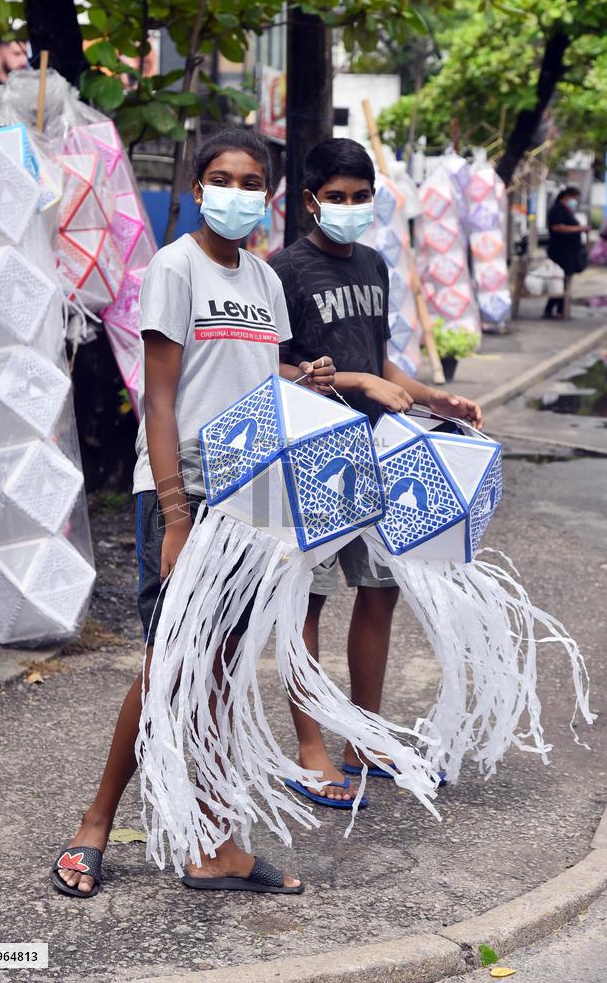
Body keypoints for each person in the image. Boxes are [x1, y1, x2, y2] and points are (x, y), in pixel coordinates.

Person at [50, 127, 336, 898]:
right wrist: (176, 516)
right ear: (197, 184)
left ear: (268, 196)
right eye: (220, 177)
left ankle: (215, 847)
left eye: (250, 181)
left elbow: (256, 372)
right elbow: (163, 396)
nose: (235, 191)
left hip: (253, 496)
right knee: (170, 666)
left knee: (215, 670)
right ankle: (95, 826)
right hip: (187, 491)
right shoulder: (173, 269)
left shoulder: (265, 282)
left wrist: (300, 374)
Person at [269, 137, 483, 807]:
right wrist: (355, 379)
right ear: (310, 201)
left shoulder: (374, 263)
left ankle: (362, 736)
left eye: (361, 198)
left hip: (377, 446)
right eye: (337, 198)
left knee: (381, 588)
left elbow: (380, 361)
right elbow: (270, 366)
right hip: (312, 450)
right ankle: (310, 747)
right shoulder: (284, 270)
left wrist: (428, 395)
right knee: (308, 598)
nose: (350, 208)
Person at [543, 187, 590, 319]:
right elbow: (557, 227)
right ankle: (552, 309)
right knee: (559, 281)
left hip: (569, 251)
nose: (575, 201)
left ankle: (560, 309)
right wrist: (579, 228)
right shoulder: (557, 209)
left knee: (564, 282)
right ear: (567, 196)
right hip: (561, 252)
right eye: (574, 198)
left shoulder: (566, 210)